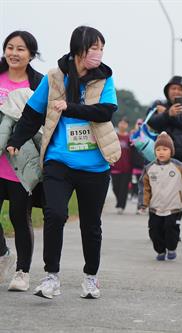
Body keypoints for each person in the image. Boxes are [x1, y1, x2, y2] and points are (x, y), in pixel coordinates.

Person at [7, 26, 120, 300]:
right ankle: (51, 278)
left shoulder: (104, 78)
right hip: (59, 161)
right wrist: (17, 140)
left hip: (95, 164)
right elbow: (33, 112)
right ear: (79, 49)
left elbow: (105, 111)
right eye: (95, 48)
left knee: (90, 225)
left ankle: (91, 278)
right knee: (54, 214)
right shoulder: (55, 77)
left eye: (101, 49)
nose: (99, 54)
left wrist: (71, 107)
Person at [0, 31, 43, 290]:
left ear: (31, 54)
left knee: (19, 216)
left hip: (21, 164)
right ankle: (4, 254)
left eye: (21, 49)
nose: (14, 53)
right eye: (9, 47)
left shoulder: (38, 83)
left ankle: (22, 272)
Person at [141, 132, 182, 261]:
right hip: (155, 207)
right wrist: (143, 203)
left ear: (171, 151)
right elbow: (145, 188)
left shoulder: (178, 166)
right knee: (154, 230)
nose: (161, 152)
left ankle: (171, 248)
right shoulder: (149, 168)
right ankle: (160, 250)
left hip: (174, 206)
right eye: (158, 149)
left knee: (171, 229)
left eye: (165, 149)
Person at [147, 76, 182, 165]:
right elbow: (150, 121)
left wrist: (171, 114)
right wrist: (167, 114)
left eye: (180, 89)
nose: (176, 91)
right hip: (161, 154)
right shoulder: (158, 104)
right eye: (173, 88)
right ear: (167, 91)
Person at [111, 117, 132, 214]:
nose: (122, 125)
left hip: (127, 168)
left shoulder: (130, 138)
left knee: (124, 188)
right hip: (115, 167)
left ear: (127, 125)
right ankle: (119, 202)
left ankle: (121, 206)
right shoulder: (113, 136)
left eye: (125, 123)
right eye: (121, 123)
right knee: (115, 187)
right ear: (118, 124)